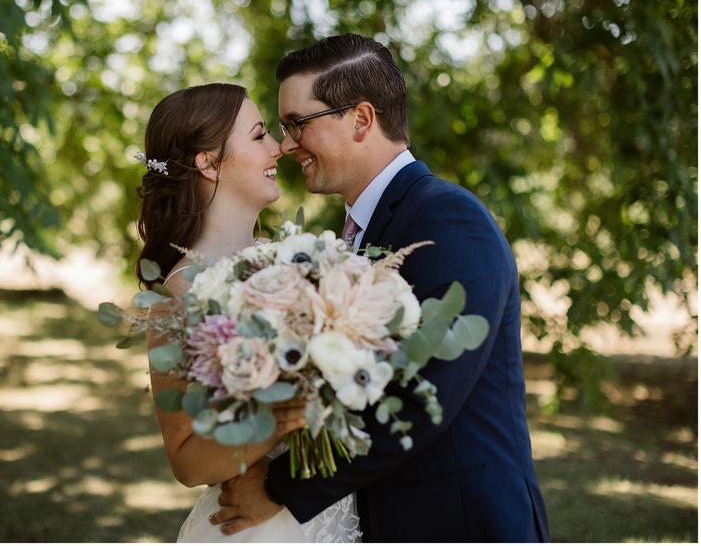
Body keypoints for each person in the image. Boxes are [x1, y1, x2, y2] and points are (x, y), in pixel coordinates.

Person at [209, 34, 551, 542]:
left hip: (458, 522)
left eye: (297, 124)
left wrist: (281, 488)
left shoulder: (447, 218)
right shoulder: (358, 231)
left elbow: (423, 395)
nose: (285, 145)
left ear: (361, 119)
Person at [135, 83, 362, 542]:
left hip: (336, 511)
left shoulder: (299, 260)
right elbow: (186, 461)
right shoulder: (177, 296)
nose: (279, 148)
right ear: (209, 162)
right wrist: (288, 412)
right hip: (260, 526)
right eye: (260, 135)